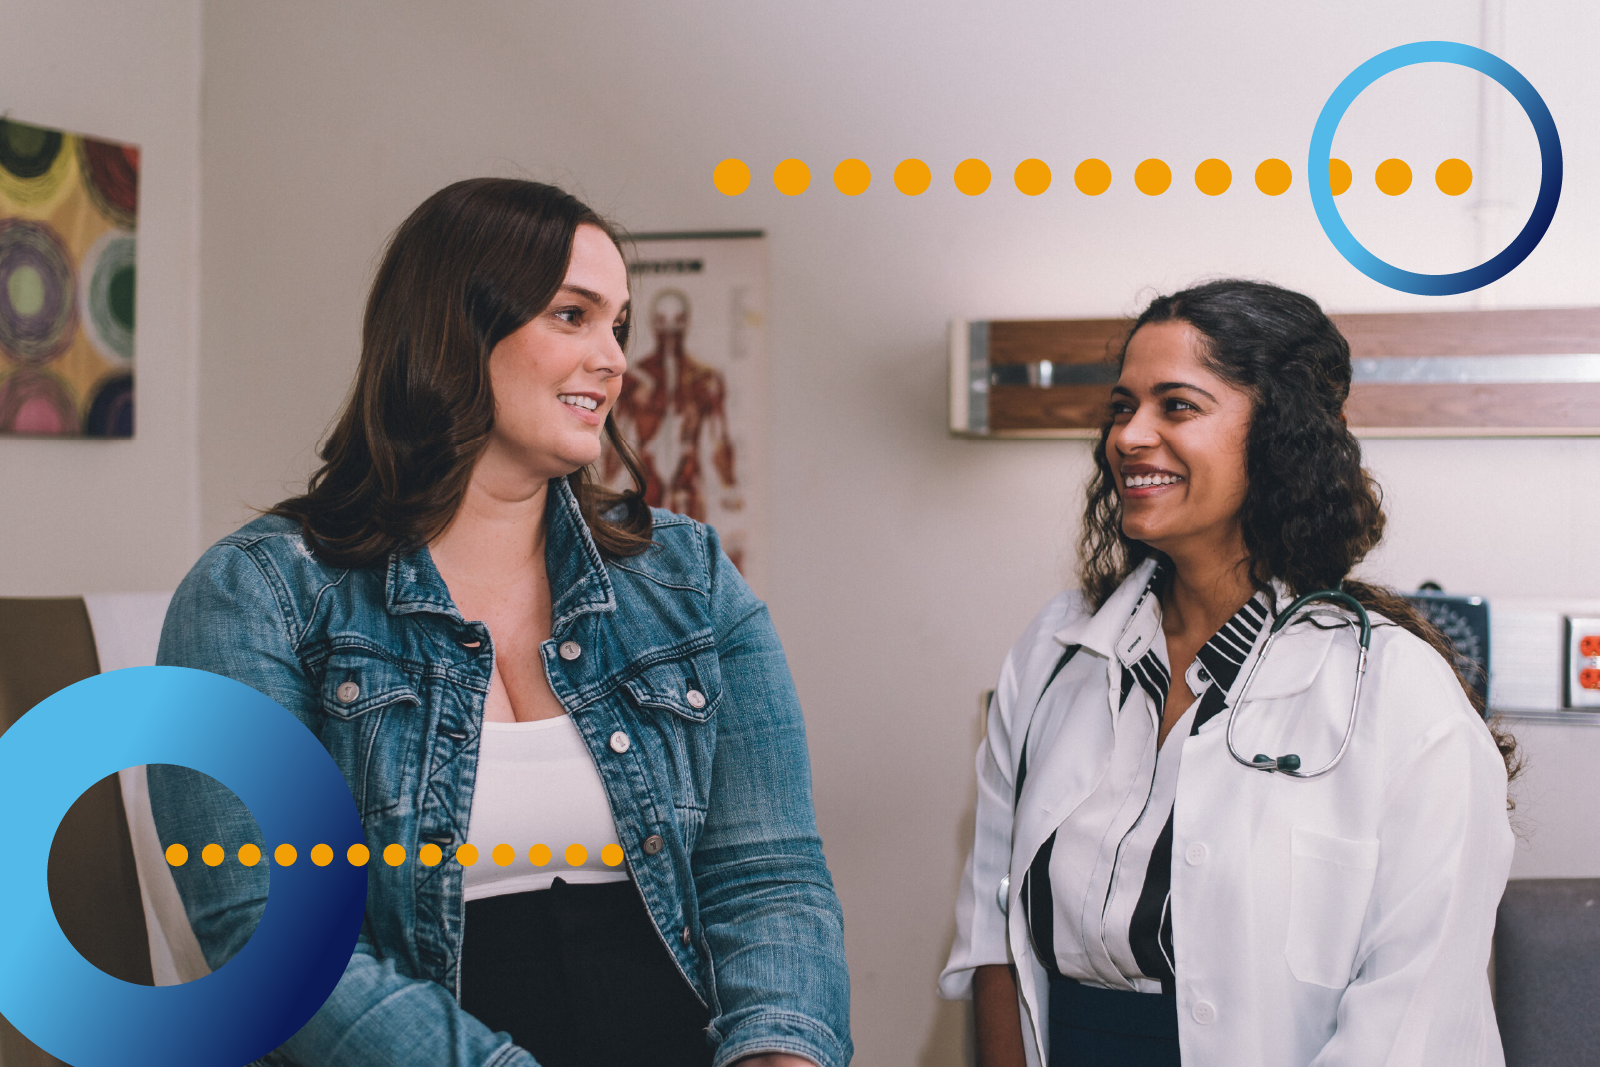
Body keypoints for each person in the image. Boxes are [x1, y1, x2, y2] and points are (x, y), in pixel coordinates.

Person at [148, 178, 849, 1067]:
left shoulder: (690, 576)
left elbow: (769, 879)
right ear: (455, 329)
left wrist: (779, 1054)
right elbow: (266, 931)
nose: (614, 358)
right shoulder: (256, 595)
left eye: (618, 324)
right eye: (573, 315)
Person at [939, 279, 1517, 1067]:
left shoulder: (1400, 696)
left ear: (1279, 435)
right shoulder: (1054, 650)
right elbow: (993, 934)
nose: (1129, 435)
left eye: (1176, 405)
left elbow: (1410, 1025)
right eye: (1122, 405)